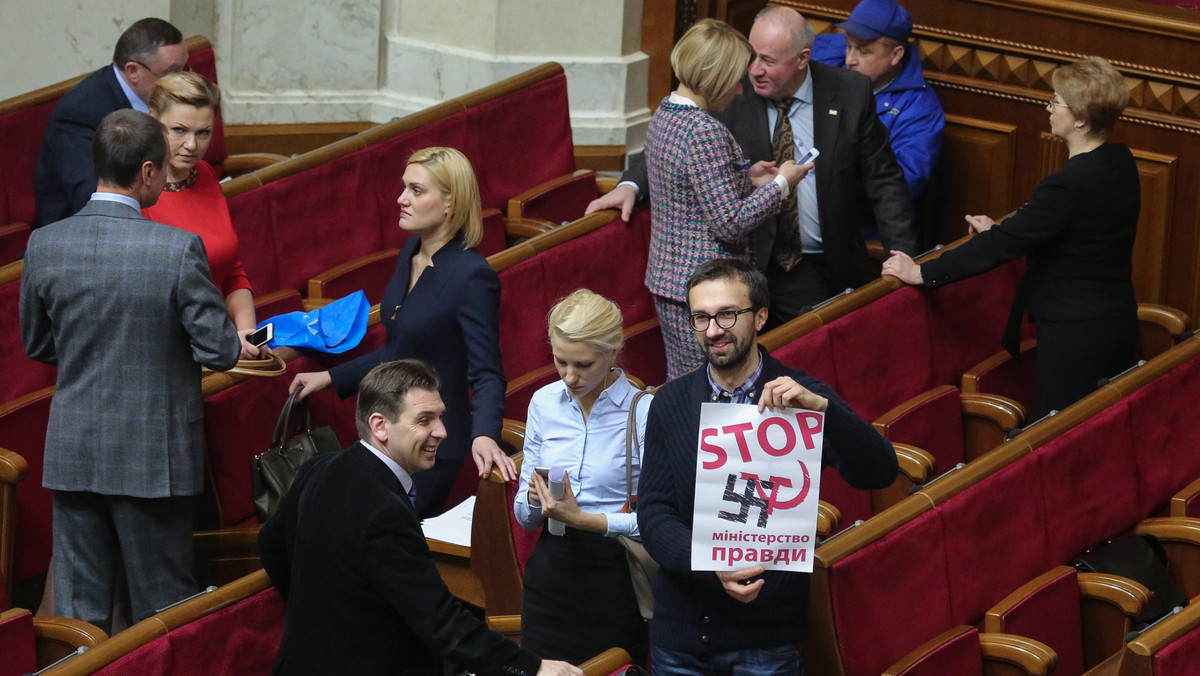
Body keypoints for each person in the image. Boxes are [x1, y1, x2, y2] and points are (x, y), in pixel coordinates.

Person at [20, 109, 239, 632]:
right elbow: (221, 351)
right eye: (163, 169)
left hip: (75, 450)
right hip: (153, 456)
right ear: (146, 172)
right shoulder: (176, 249)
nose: (166, 178)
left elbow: (37, 342)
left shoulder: (44, 245)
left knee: (78, 619)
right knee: (164, 613)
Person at [637, 258, 898, 675]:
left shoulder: (801, 396)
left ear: (759, 317)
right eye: (700, 318)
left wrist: (826, 412)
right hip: (684, 637)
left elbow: (879, 472)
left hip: (766, 639)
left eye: (727, 314)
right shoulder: (670, 402)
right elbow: (653, 513)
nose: (714, 330)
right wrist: (710, 562)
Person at [587, 6, 916, 328]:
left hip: (825, 259)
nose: (753, 70)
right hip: (748, 261)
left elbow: (884, 180)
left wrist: (906, 260)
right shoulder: (728, 91)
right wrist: (629, 185)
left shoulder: (849, 91)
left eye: (768, 61)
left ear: (802, 58)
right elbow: (676, 146)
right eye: (751, 56)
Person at [259, 359, 582, 676]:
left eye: (440, 417)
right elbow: (439, 620)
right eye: (424, 420)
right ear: (380, 425)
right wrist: (532, 667)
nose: (441, 431)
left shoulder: (320, 466)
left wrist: (323, 611)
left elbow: (271, 545)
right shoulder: (384, 509)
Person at [883, 56, 1138, 419]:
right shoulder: (1120, 161)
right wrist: (1005, 231)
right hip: (1114, 318)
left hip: (1074, 334)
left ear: (1080, 118)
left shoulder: (1067, 185)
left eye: (1055, 102)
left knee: (1057, 431)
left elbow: (1002, 246)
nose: (1048, 108)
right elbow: (1072, 231)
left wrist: (922, 273)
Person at [289, 147, 514, 517]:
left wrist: (485, 434)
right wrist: (330, 376)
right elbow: (399, 348)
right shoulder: (410, 250)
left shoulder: (471, 275)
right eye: (403, 187)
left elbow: (487, 372)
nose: (401, 198)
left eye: (416, 190)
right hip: (393, 431)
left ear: (449, 204)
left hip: (434, 441)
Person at [644, 18, 809, 379]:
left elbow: (687, 187)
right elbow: (730, 223)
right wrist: (782, 183)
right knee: (707, 391)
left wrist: (745, 178)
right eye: (735, 79)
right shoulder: (705, 131)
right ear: (716, 76)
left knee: (687, 385)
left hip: (672, 281)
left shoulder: (665, 114)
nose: (739, 90)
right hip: (707, 290)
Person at [513, 289, 653, 665]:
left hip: (616, 574)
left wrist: (584, 519)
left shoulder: (643, 412)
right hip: (551, 572)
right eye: (560, 361)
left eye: (584, 364)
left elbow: (659, 521)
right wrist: (532, 498)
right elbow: (524, 519)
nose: (570, 376)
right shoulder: (544, 402)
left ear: (612, 352)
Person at [144, 71, 265, 359]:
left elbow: (231, 271)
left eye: (203, 133)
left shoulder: (205, 174)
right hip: (168, 353)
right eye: (179, 130)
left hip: (219, 341)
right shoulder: (138, 191)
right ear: (151, 120)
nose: (192, 145)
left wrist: (246, 332)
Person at [34, 18, 189, 227]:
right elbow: (88, 198)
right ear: (133, 71)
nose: (181, 82)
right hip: (87, 232)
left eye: (184, 69)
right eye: (170, 73)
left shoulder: (162, 99)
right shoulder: (79, 113)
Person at [811, 0, 944, 235]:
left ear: (896, 55)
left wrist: (832, 173)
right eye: (848, 45)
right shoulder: (828, 55)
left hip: (861, 229)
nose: (850, 59)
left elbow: (905, 184)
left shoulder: (921, 109)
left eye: (863, 51)